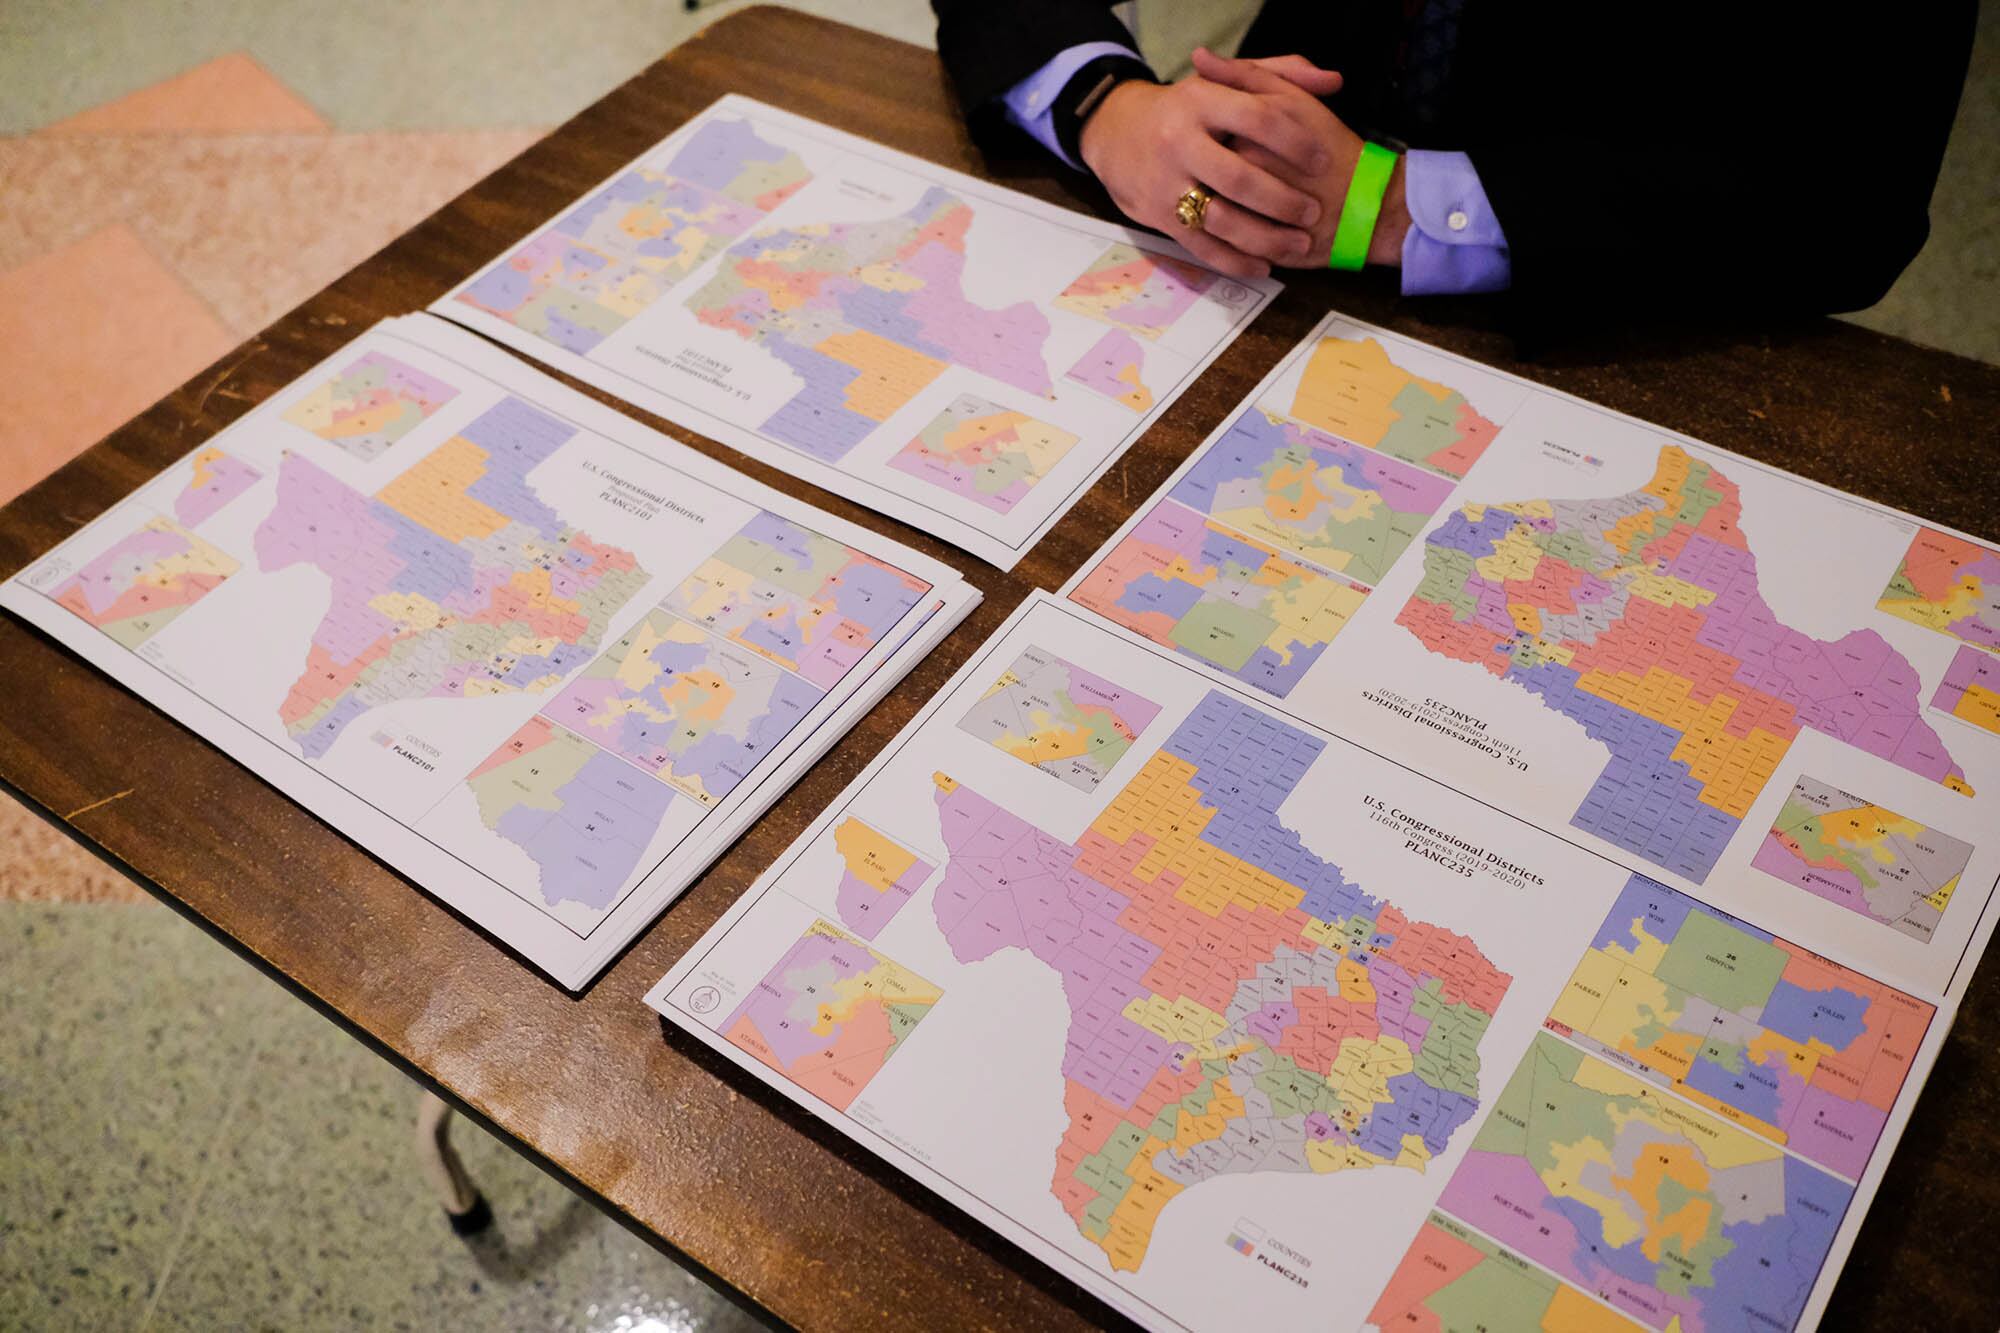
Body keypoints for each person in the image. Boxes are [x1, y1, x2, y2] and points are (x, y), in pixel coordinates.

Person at [933, 2, 1975, 322]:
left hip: (1613, 278)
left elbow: (1852, 202)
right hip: (1234, 235)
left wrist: (1402, 205)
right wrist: (1098, 102)